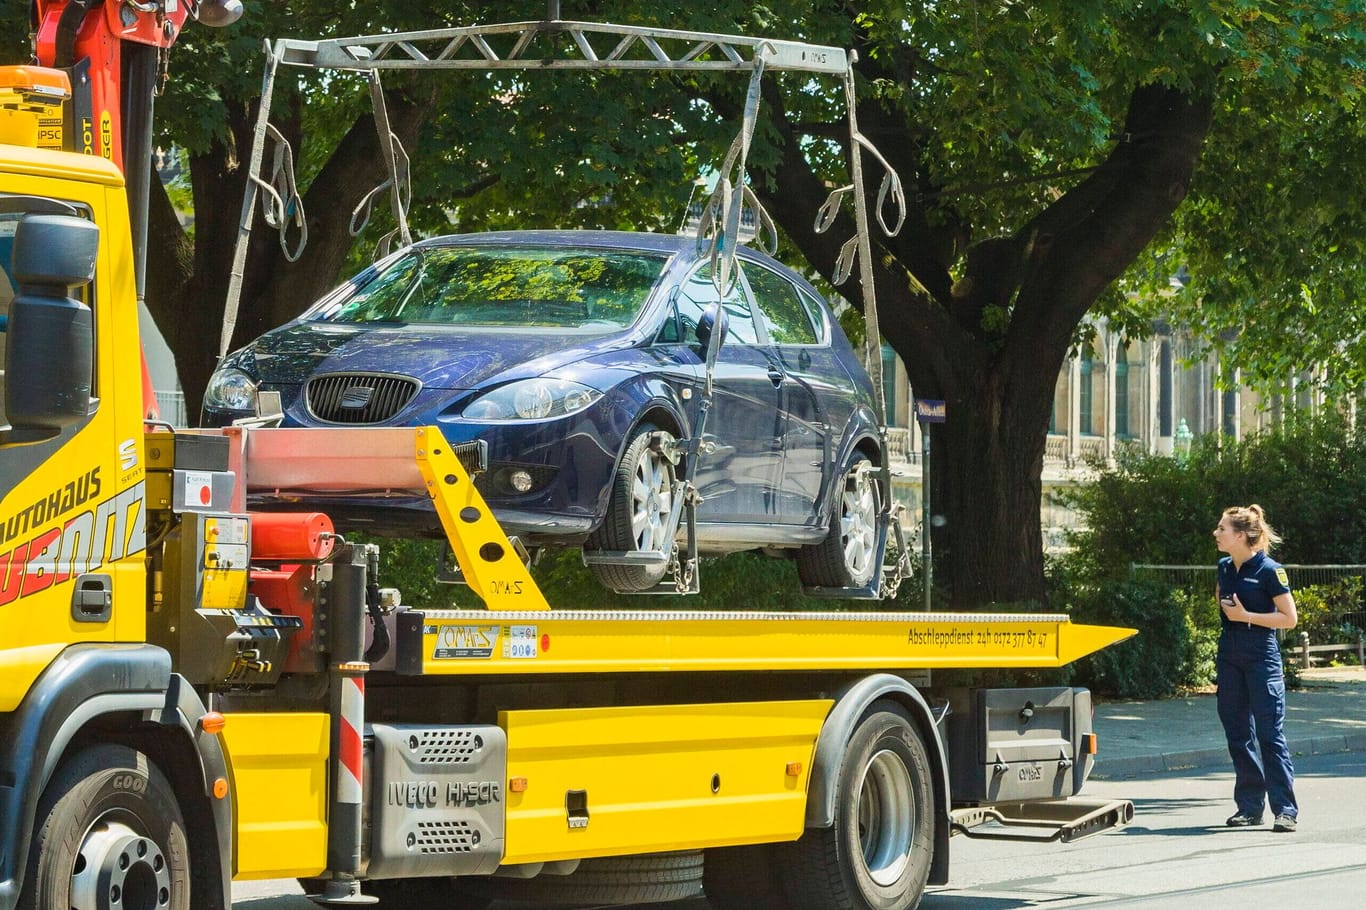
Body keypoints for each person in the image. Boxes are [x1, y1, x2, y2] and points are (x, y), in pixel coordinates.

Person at [1212, 504, 1299, 832]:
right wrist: (1235, 617)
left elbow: (1289, 619)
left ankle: (1286, 810)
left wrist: (1246, 616)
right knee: (1237, 732)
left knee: (1269, 734)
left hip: (1261, 655)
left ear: (1241, 535)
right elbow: (1221, 600)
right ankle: (1249, 807)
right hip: (1230, 653)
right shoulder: (1223, 567)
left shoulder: (1269, 570)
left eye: (1222, 528)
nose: (1216, 533)